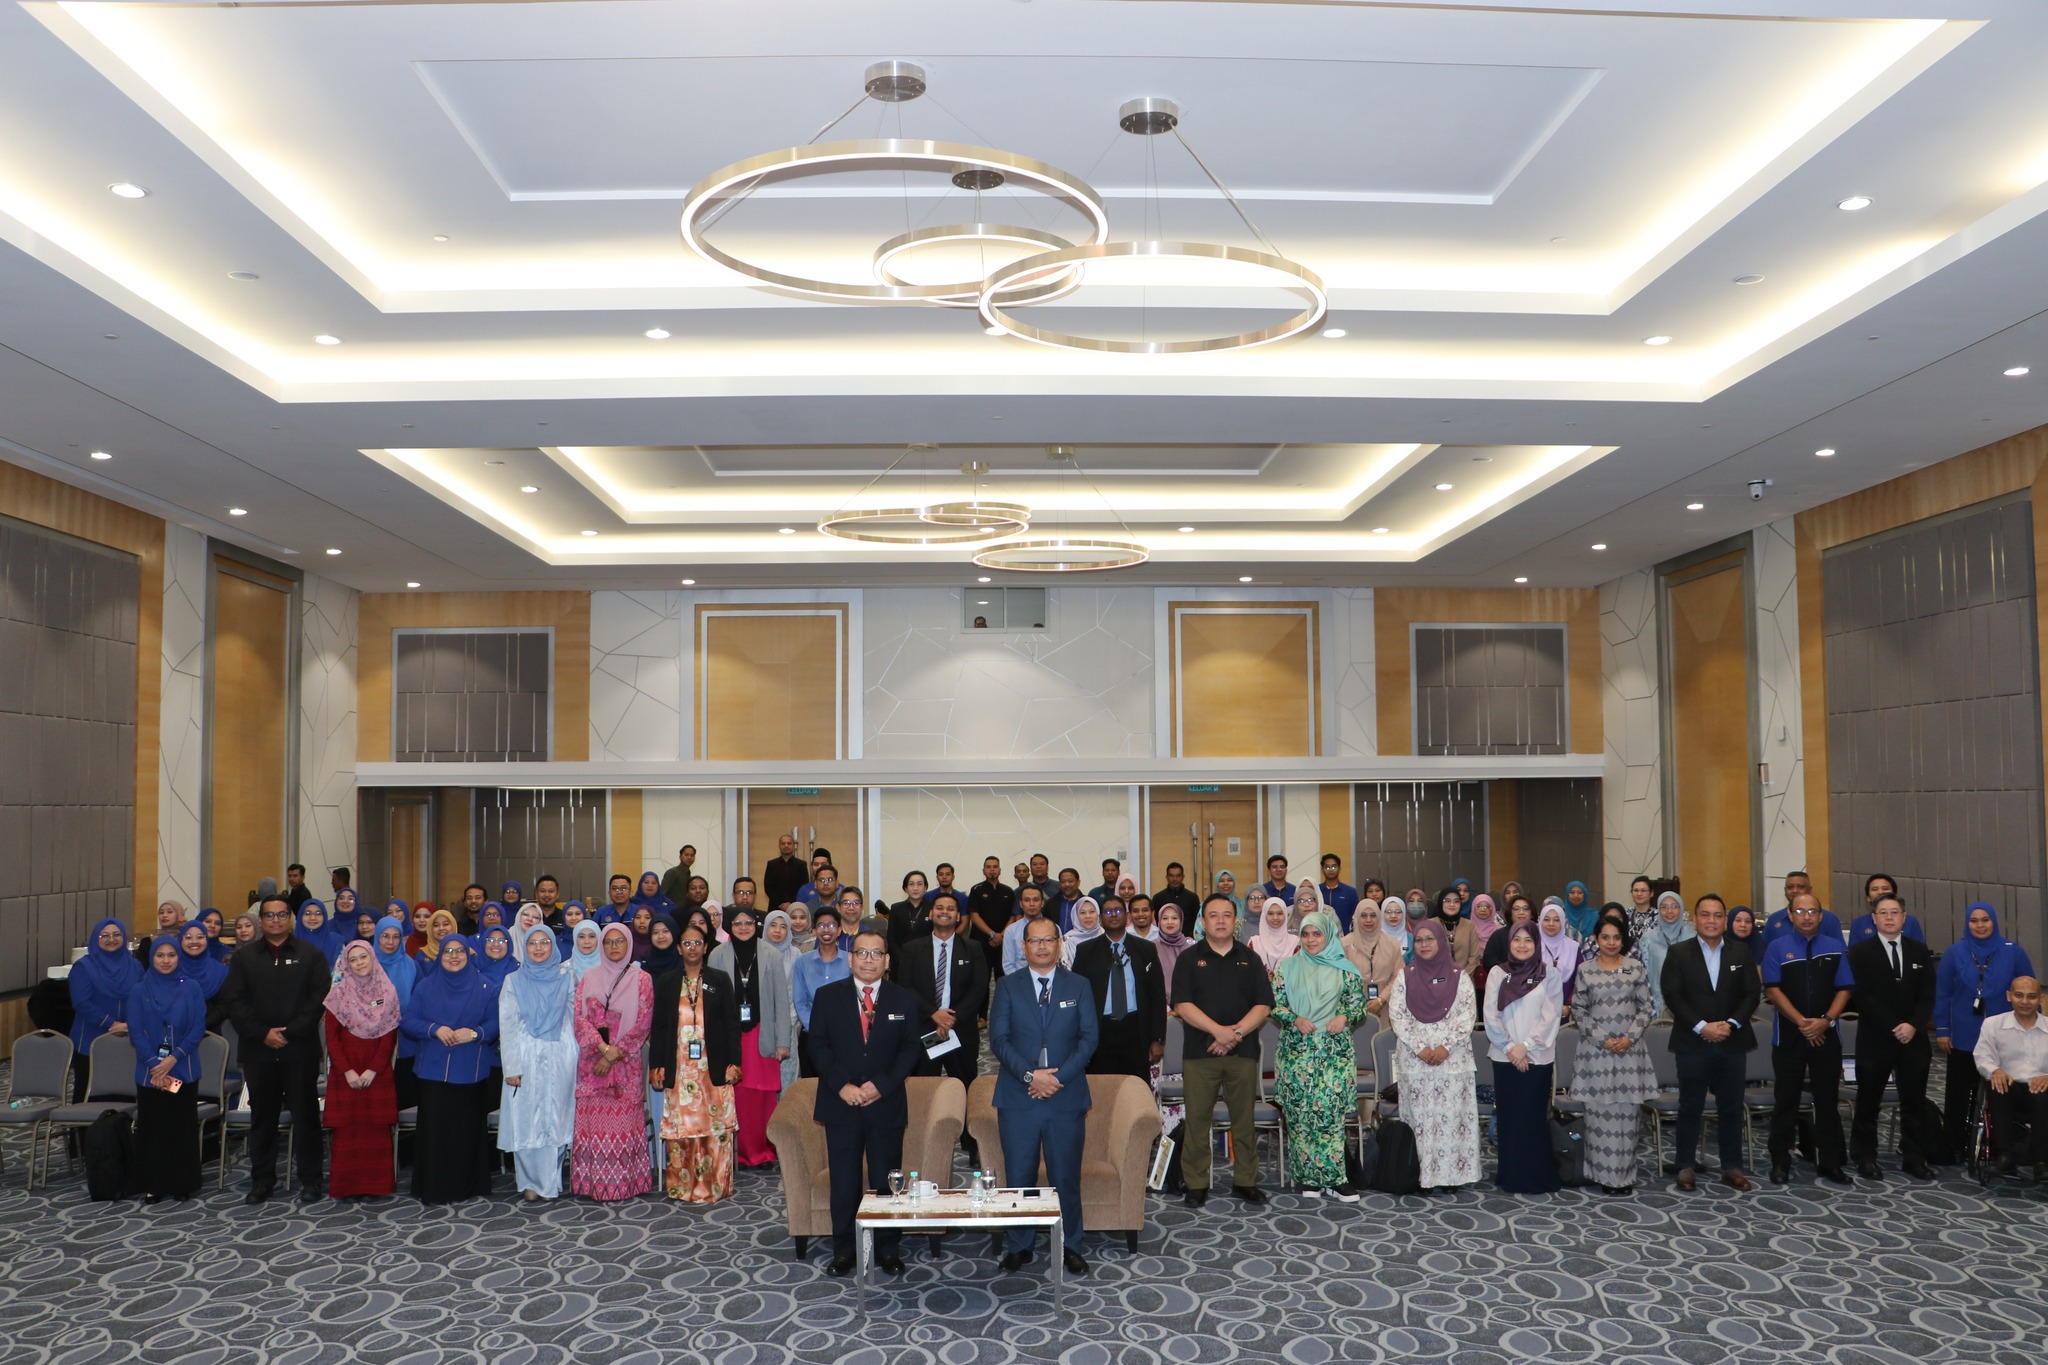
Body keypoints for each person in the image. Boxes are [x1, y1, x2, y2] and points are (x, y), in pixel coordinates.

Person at [808, 929, 925, 1277]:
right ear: (850, 958)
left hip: (884, 1103)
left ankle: (888, 1248)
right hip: (841, 1102)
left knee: (886, 1181)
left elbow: (910, 1049)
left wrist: (882, 1086)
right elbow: (818, 1046)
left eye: (876, 954)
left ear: (887, 961)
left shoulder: (904, 1000)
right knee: (844, 1181)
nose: (868, 960)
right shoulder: (827, 996)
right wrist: (841, 1086)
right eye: (862, 953)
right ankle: (844, 1248)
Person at [989, 916, 1099, 1274]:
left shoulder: (1079, 985)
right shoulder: (1007, 986)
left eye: (1048, 940)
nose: (1041, 946)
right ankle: (1020, 1244)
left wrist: (1057, 1078)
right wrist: (1030, 1076)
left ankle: (1070, 1244)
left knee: (1065, 1176)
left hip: (1065, 1097)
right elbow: (998, 1040)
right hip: (1018, 1097)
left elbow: (1089, 1039)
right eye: (1034, 941)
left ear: (1059, 943)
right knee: (1019, 1176)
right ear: (1023, 946)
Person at [220, 896, 330, 1202]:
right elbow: (234, 1001)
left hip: (299, 1050)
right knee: (263, 1120)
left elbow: (318, 998)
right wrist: (263, 1034)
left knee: (306, 1118)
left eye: (282, 915)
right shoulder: (244, 958)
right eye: (270, 915)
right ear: (261, 920)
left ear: (290, 919)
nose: (276, 920)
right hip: (259, 1051)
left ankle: (311, 1180)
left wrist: (290, 1032)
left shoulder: (311, 955)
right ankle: (262, 1181)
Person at [1171, 895, 1275, 1207]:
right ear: (1203, 922)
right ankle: (1196, 1183)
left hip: (1242, 1053)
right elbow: (1182, 1005)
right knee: (1197, 1121)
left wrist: (1235, 1034)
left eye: (1226, 915)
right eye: (1213, 915)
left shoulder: (1250, 958)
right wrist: (1218, 1031)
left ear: (1235, 921)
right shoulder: (1188, 959)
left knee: (1244, 1120)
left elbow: (1263, 1005)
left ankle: (1246, 1180)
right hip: (1199, 1054)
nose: (1220, 920)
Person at [1660, 895, 1760, 1192]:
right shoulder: (1679, 952)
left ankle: (1732, 1167)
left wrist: (1731, 1024)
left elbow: (1752, 993)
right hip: (1693, 1041)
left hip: (1732, 1040)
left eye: (1717, 915)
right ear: (1695, 919)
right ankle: (1685, 1165)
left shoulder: (1741, 952)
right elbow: (1672, 994)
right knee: (1690, 1105)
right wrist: (1702, 1027)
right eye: (1705, 915)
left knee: (1731, 1107)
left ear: (1725, 921)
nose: (1711, 920)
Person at [1273, 909, 1368, 1200]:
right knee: (1301, 1116)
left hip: (1334, 1051)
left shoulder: (1345, 969)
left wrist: (1344, 1017)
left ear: (1328, 935)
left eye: (1317, 934)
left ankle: (1337, 1179)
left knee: (1329, 1115)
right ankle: (1309, 1179)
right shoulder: (1287, 967)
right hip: (1297, 1052)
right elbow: (1275, 1004)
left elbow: (1358, 1005)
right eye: (1305, 934)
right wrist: (1294, 1019)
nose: (1311, 939)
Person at [1759, 894, 1854, 1185]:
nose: (1807, 916)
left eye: (1813, 911)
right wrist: (1802, 1022)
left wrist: (1825, 1021)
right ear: (1790, 915)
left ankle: (1829, 1162)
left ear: (1821, 916)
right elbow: (1772, 990)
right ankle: (1780, 1161)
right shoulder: (1777, 947)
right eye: (1800, 911)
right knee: (1786, 1101)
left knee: (1827, 1101)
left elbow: (1845, 989)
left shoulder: (1835, 947)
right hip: (1790, 1036)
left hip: (1826, 1036)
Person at [1935, 902, 2035, 1164]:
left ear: (1994, 922)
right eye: (1974, 921)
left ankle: (2003, 1148)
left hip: (2005, 1037)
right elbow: (1943, 993)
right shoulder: (1955, 952)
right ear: (1967, 923)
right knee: (1958, 1094)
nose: (1980, 925)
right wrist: (1943, 1029)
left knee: (2002, 1093)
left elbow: (2030, 992)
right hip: (1963, 1034)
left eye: (1985, 920)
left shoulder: (2013, 952)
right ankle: (1953, 1147)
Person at [402, 937, 500, 1205]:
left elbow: (496, 1023)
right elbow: (408, 1021)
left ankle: (467, 1186)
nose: (454, 956)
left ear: (468, 954)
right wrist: (434, 1029)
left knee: (466, 1133)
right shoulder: (425, 986)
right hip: (433, 1071)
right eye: (448, 951)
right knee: (436, 1133)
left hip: (470, 1071)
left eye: (459, 951)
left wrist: (475, 1033)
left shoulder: (486, 986)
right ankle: (435, 1188)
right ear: (440, 955)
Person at [649, 923, 741, 1203]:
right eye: (687, 943)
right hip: (680, 1068)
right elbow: (659, 1027)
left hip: (712, 1067)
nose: (692, 948)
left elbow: (732, 1025)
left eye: (697, 943)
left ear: (706, 947)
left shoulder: (720, 979)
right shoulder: (667, 981)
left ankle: (716, 1185)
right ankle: (683, 1187)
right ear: (679, 949)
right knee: (683, 1129)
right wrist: (656, 1065)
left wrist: (734, 1062)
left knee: (715, 1127)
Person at [1847, 894, 1937, 1180]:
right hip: (1876, 1038)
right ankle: (1865, 1157)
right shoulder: (1859, 952)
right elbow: (1861, 996)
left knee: (1914, 1102)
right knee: (1868, 1102)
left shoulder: (1919, 951)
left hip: (1914, 1038)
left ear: (1904, 917)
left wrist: (1913, 1025)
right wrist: (1893, 1026)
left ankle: (1914, 1157)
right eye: (1883, 912)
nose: (1889, 917)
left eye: (1894, 912)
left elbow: (1927, 995)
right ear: (1873, 918)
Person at [1386, 919, 1479, 1192]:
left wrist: (1444, 1047)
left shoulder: (1459, 976)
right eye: (1419, 940)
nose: (1424, 944)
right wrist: (1421, 1048)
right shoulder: (1405, 976)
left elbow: (1467, 1015)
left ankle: (1452, 1177)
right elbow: (1397, 1015)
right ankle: (1422, 1176)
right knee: (1421, 1121)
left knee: (1452, 1120)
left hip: (1452, 1059)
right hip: (1416, 1060)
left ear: (1441, 941)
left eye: (1430, 939)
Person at [1571, 918, 1656, 1194]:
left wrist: (1629, 1037)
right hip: (1596, 1052)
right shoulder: (1585, 970)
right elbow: (1578, 1010)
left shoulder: (1635, 967)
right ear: (1596, 939)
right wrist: (1603, 1039)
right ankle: (1602, 1176)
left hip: (1630, 1051)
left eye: (1616, 937)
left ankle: (1624, 1177)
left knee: (1628, 1116)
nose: (1611, 942)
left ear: (1623, 940)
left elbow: (1646, 1007)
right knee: (1598, 1115)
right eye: (1605, 937)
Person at [569, 923, 654, 1200]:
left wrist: (615, 1053)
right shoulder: (589, 977)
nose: (614, 946)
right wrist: (603, 1048)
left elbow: (643, 1022)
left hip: (626, 1064)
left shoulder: (642, 979)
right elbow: (579, 1019)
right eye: (608, 942)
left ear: (629, 944)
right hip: (592, 1063)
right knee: (593, 1124)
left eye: (620, 941)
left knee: (624, 1123)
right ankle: (593, 1185)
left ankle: (625, 1184)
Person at [496, 924, 578, 1202]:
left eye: (545, 942)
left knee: (556, 1117)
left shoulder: (567, 978)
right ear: (525, 947)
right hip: (526, 1056)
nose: (539, 948)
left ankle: (551, 1181)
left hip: (560, 1055)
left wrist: (577, 1059)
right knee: (526, 1119)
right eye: (533, 943)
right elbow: (507, 1026)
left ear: (554, 946)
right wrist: (512, 1067)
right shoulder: (513, 981)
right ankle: (530, 1181)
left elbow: (575, 1020)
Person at [709, 906, 793, 1167]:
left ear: (756, 925)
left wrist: (783, 1042)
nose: (743, 927)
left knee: (764, 1098)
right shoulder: (717, 954)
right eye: (737, 923)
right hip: (732, 1037)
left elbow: (781, 1001)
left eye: (748, 922)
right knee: (739, 1096)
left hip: (763, 1035)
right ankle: (741, 1154)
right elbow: (711, 1003)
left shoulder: (771, 954)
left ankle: (765, 1152)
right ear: (729, 925)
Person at [127, 935, 206, 1204]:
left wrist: (173, 1060)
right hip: (150, 1073)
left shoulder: (192, 988)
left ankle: (182, 1182)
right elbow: (136, 1032)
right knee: (153, 1128)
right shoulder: (139, 990)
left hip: (183, 1067)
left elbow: (197, 1028)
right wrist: (155, 1065)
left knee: (181, 1128)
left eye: (171, 955)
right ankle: (153, 1184)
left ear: (178, 958)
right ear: (152, 958)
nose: (166, 960)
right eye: (160, 955)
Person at [1485, 922, 1562, 1195]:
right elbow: (1490, 1015)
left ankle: (1536, 1177)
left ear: (1537, 944)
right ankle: (1510, 1176)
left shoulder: (1549, 974)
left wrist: (1526, 1046)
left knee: (1532, 1118)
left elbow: (1551, 1017)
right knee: (1510, 1119)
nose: (1522, 945)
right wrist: (1510, 1047)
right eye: (1516, 939)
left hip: (1537, 1057)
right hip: (1504, 1056)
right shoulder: (1498, 973)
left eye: (1528, 940)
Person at [323, 940, 402, 1200]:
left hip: (376, 1072)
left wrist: (373, 1070)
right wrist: (346, 1070)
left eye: (363, 957)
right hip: (345, 1071)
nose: (359, 963)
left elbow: (389, 1036)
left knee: (375, 1128)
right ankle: (346, 1187)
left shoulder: (387, 990)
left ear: (372, 958)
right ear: (346, 964)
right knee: (347, 1129)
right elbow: (332, 1038)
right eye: (353, 959)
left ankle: (377, 1186)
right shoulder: (337, 994)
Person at [895, 891, 991, 1087]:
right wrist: (934, 1013)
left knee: (965, 1088)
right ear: (931, 914)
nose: (944, 912)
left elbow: (979, 987)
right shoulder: (912, 949)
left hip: (960, 1029)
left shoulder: (973, 948)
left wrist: (950, 1019)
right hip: (924, 1028)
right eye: (939, 908)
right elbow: (905, 985)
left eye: (950, 909)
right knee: (923, 1089)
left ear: (958, 916)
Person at [1070, 898, 1165, 1082]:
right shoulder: (1086, 951)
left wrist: (1158, 1039)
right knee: (1101, 1090)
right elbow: (1076, 998)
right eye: (1108, 911)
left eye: (1118, 911)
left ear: (1127, 916)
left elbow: (1157, 996)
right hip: (1100, 1032)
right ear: (1100, 918)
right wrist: (1079, 1041)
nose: (1113, 915)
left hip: (1135, 1030)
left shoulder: (1146, 949)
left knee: (1136, 1089)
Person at [1976, 977, 2048, 1176]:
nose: (2025, 1001)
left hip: (2043, 1091)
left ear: (2040, 999)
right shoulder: (1993, 1024)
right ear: (2009, 996)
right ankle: (2005, 1155)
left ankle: (2042, 1161)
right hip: (2010, 1089)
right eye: (2019, 995)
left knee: (2041, 1093)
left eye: (2031, 997)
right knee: (1998, 1085)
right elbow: (1982, 1056)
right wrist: (1995, 1070)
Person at [67, 919, 141, 1090]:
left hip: (128, 1036)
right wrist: (112, 1024)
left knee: (124, 1088)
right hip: (91, 1038)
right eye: (104, 936)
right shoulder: (83, 967)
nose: (111, 939)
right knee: (88, 1089)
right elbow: (82, 1003)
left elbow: (144, 998)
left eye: (116, 935)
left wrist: (128, 1025)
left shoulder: (135, 965)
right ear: (95, 939)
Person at [792, 907, 851, 1079]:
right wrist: (816, 1028)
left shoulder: (850, 960)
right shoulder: (802, 962)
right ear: (814, 930)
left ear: (839, 930)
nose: (826, 930)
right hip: (811, 1035)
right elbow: (800, 1001)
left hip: (844, 1036)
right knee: (811, 1085)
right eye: (821, 925)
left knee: (843, 1083)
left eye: (831, 925)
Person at [1340, 895, 1402, 1021]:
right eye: (1363, 916)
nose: (1368, 920)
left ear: (1379, 917)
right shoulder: (1344, 944)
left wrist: (1381, 1000)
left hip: (1386, 1005)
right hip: (1353, 1008)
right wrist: (1359, 1002)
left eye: (1373, 915)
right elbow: (1340, 978)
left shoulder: (1392, 944)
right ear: (1356, 917)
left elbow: (1398, 976)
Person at [1641, 891, 1696, 1018]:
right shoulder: (1649, 938)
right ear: (1658, 910)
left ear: (1681, 908)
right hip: (1658, 1002)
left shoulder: (1693, 936)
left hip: (1689, 1002)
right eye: (1664, 907)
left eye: (1674, 906)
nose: (1669, 911)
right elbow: (1645, 973)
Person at [965, 855, 1015, 978]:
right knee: (981, 978)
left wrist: (1001, 935)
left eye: (995, 867)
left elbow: (1012, 917)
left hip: (1003, 942)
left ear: (1000, 870)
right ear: (983, 871)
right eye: (988, 867)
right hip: (981, 941)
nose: (992, 869)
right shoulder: (976, 890)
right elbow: (974, 916)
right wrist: (992, 934)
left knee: (1003, 978)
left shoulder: (1008, 891)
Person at [1760, 871, 1841, 946]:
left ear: (1810, 890)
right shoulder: (1774, 919)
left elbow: (1839, 950)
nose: (1795, 891)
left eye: (1800, 887)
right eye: (1790, 887)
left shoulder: (1829, 919)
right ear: (1785, 890)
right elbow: (1764, 951)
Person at [1848, 874, 1926, 945]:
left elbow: (1920, 951)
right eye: (1875, 889)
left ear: (1894, 894)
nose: (1880, 892)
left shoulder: (1911, 922)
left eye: (1885, 888)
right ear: (1868, 898)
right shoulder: (1858, 924)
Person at [1535, 903, 1581, 1013]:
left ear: (1563, 922)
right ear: (1540, 922)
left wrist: (1570, 1004)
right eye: (1546, 919)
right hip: (1536, 1009)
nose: (1551, 924)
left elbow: (1580, 980)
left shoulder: (1573, 947)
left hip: (1564, 1010)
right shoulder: (1532, 947)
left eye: (1556, 920)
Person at [1002, 884, 1051, 976]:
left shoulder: (1054, 928)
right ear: (1021, 904)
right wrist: (1020, 982)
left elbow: (1058, 961)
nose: (1031, 904)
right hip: (1019, 980)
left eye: (1036, 900)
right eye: (1027, 900)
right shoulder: (1011, 931)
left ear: (1042, 903)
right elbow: (1008, 965)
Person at [1430, 887, 1481, 972]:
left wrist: (1463, 976)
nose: (1452, 904)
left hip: (1465, 976)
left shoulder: (1469, 925)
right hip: (1436, 976)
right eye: (1447, 901)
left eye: (1456, 901)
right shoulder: (1429, 925)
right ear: (1440, 903)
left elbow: (1474, 957)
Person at [1154, 903, 1192, 1005]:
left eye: (1174, 918)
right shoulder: (1151, 947)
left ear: (1181, 921)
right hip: (1160, 1005)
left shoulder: (1192, 946)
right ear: (1159, 921)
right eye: (1165, 918)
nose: (1169, 922)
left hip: (1190, 1005)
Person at [1251, 896, 1299, 973]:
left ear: (1286, 915)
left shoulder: (1294, 942)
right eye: (1270, 913)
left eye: (1280, 913)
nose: (1275, 917)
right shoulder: (1255, 943)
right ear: (1264, 915)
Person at [763, 833, 808, 913]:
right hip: (775, 907)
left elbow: (803, 886)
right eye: (783, 843)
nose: (786, 845)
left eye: (789, 843)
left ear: (793, 846)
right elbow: (768, 887)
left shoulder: (801, 865)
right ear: (779, 846)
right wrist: (780, 903)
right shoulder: (772, 864)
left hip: (796, 907)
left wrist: (791, 903)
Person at [887, 871, 931, 953]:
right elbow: (891, 938)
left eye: (919, 884)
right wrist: (901, 957)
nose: (915, 888)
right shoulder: (896, 908)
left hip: (926, 956)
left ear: (925, 887)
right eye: (911, 884)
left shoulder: (932, 909)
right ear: (906, 888)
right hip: (900, 956)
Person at [1316, 854, 1360, 933]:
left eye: (1334, 867)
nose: (1331, 870)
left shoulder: (1350, 892)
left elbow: (1356, 917)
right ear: (1322, 869)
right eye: (1327, 867)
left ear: (1339, 868)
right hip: (1320, 935)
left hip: (1345, 936)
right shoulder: (1316, 891)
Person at [1061, 897, 1103, 968]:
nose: (1088, 916)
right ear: (1076, 916)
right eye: (1082, 913)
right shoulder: (1067, 941)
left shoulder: (1106, 936)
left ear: (1098, 914)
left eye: (1092, 911)